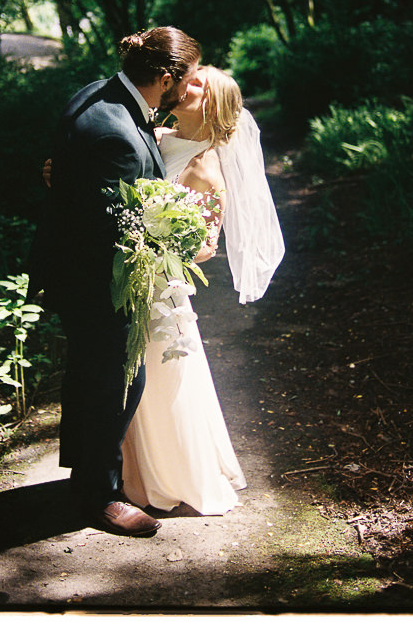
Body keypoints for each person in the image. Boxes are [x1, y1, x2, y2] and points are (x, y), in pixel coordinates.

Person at [26, 26, 201, 538]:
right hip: (97, 280)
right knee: (118, 380)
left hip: (78, 270)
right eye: (186, 78)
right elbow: (112, 231)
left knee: (93, 376)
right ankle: (98, 496)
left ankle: (84, 476)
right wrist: (178, 238)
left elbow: (79, 183)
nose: (189, 87)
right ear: (165, 77)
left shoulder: (98, 93)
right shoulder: (115, 133)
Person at [120, 65, 285, 515]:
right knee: (132, 381)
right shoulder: (155, 133)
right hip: (130, 281)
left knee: (162, 382)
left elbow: (207, 247)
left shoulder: (207, 166)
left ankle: (172, 478)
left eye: (198, 83)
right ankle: (129, 474)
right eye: (189, 76)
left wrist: (149, 248)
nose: (185, 83)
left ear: (213, 104)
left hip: (159, 288)